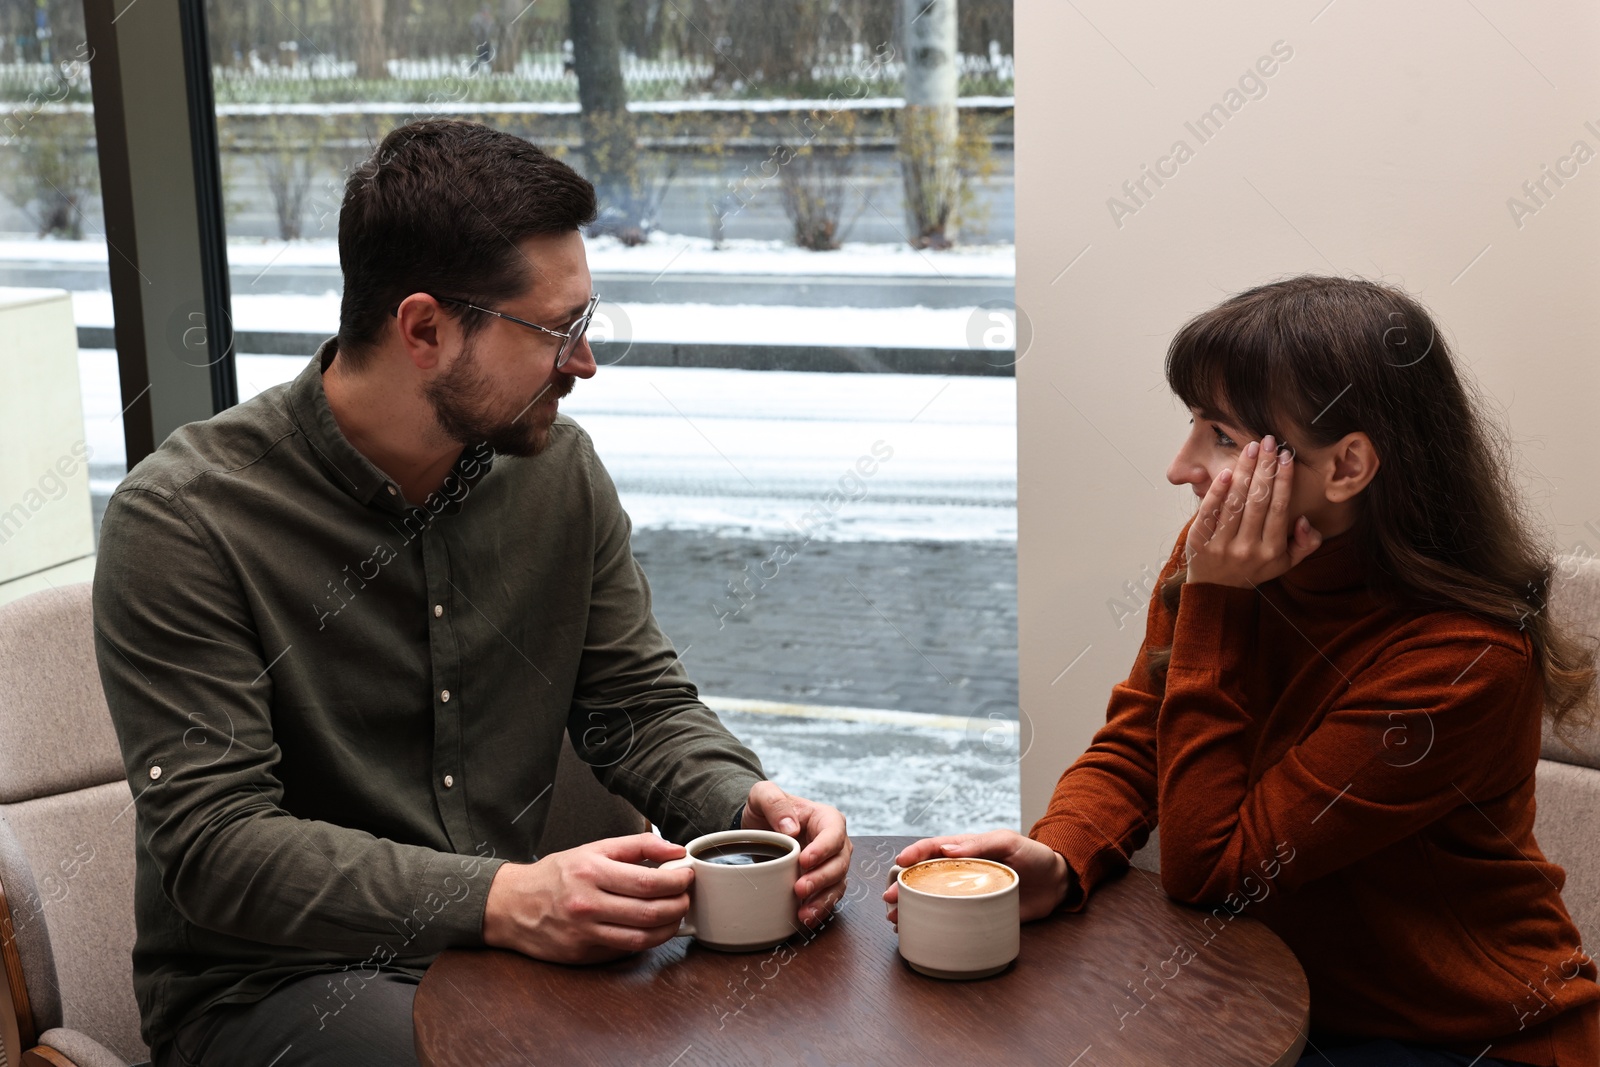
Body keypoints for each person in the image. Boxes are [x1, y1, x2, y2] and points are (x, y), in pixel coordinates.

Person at [93, 118, 851, 1067]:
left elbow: (638, 705)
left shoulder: (557, 473)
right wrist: (506, 899)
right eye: (555, 331)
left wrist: (748, 806)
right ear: (423, 329)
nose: (584, 363)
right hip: (274, 991)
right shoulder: (184, 520)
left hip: (515, 957)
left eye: (587, 320)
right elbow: (218, 847)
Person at [886, 276, 1600, 1066]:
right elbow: (1136, 747)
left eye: (1221, 435)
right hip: (1271, 1002)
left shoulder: (1464, 662)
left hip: (1468, 1039)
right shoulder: (1221, 559)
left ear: (1346, 466)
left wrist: (1217, 604)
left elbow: (1214, 868)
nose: (1181, 466)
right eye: (1193, 423)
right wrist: (1061, 856)